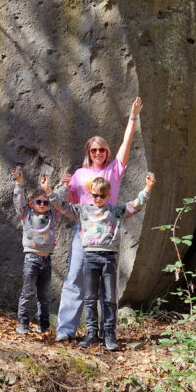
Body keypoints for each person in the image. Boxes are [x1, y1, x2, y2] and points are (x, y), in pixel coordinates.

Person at [55, 97, 143, 343]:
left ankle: (106, 333)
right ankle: (66, 329)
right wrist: (65, 187)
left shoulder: (113, 171)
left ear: (107, 152)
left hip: (106, 235)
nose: (97, 154)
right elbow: (71, 202)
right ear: (88, 152)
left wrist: (133, 116)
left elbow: (126, 143)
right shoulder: (80, 174)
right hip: (83, 233)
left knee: (107, 288)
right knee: (74, 278)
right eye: (93, 150)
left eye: (101, 150)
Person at [52, 171, 155, 351]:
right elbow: (63, 206)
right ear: (90, 194)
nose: (98, 198)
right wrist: (49, 190)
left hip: (109, 258)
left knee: (109, 298)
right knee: (90, 297)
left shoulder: (114, 211)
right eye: (95, 195)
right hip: (90, 257)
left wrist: (147, 188)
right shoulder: (83, 210)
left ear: (108, 195)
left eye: (102, 195)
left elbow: (134, 206)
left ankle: (109, 334)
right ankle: (92, 334)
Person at [12, 168, 57, 334]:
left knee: (43, 296)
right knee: (28, 293)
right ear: (32, 203)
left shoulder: (52, 215)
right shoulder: (27, 214)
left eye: (45, 202)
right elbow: (19, 202)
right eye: (39, 202)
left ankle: (44, 326)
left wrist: (61, 187)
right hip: (32, 259)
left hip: (47, 260)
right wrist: (18, 183)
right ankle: (23, 324)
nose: (43, 205)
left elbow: (59, 201)